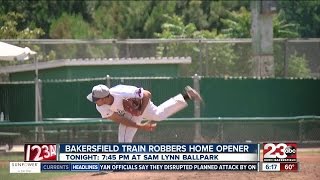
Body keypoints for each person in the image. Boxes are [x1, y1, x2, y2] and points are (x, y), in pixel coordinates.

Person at [87, 84, 202, 143]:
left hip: (141, 104)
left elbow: (147, 94)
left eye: (96, 98)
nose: (94, 100)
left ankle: (122, 163)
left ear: (104, 97)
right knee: (158, 115)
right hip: (130, 111)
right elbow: (119, 119)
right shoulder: (100, 106)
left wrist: (141, 110)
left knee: (125, 134)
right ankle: (186, 96)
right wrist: (140, 125)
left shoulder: (122, 92)